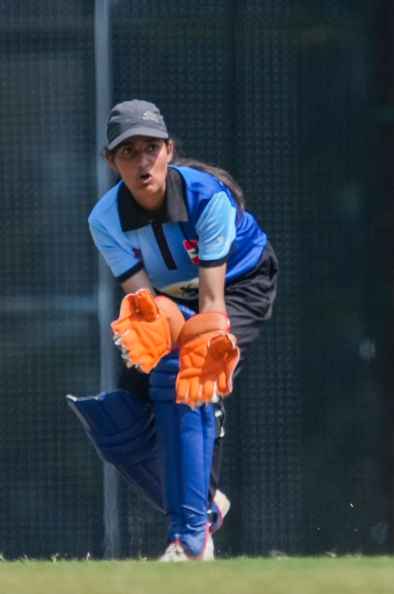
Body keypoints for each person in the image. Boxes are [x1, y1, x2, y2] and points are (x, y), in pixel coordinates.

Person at [68, 99, 277, 561]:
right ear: (110, 161)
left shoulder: (208, 199)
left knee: (192, 367)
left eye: (150, 149)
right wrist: (155, 330)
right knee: (121, 416)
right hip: (171, 296)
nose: (141, 162)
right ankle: (204, 510)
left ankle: (189, 537)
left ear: (168, 150)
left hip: (239, 283)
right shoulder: (104, 220)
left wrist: (198, 344)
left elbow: (211, 301)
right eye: (127, 153)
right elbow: (150, 305)